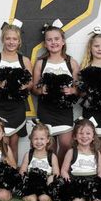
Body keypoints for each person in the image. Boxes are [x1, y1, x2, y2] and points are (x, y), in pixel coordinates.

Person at [31, 20, 79, 157]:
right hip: (46, 109)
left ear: (63, 41)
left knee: (66, 145)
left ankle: (61, 174)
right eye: (49, 40)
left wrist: (72, 90)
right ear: (45, 44)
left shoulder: (71, 62)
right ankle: (52, 174)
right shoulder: (41, 62)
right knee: (50, 146)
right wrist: (41, 90)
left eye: (57, 39)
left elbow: (79, 88)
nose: (53, 42)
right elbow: (34, 88)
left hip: (64, 111)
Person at [0, 20, 32, 139]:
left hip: (17, 106)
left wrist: (23, 86)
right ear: (3, 40)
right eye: (8, 38)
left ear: (19, 41)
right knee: (0, 141)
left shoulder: (25, 60)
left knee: (14, 142)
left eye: (15, 39)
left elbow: (31, 83)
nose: (11, 42)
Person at [60, 118, 101, 201]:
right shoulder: (71, 152)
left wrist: (99, 184)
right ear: (75, 136)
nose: (84, 136)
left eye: (88, 133)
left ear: (93, 136)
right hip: (76, 183)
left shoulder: (96, 153)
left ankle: (90, 196)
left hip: (92, 182)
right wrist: (69, 183)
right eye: (81, 133)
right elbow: (64, 170)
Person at [19, 122, 60, 201]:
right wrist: (25, 177)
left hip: (45, 185)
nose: (39, 142)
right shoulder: (28, 155)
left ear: (47, 140)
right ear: (31, 139)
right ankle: (28, 197)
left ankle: (43, 196)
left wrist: (51, 177)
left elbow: (57, 173)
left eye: (42, 139)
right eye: (36, 139)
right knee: (32, 199)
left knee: (44, 199)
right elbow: (22, 170)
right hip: (31, 185)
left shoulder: (52, 156)